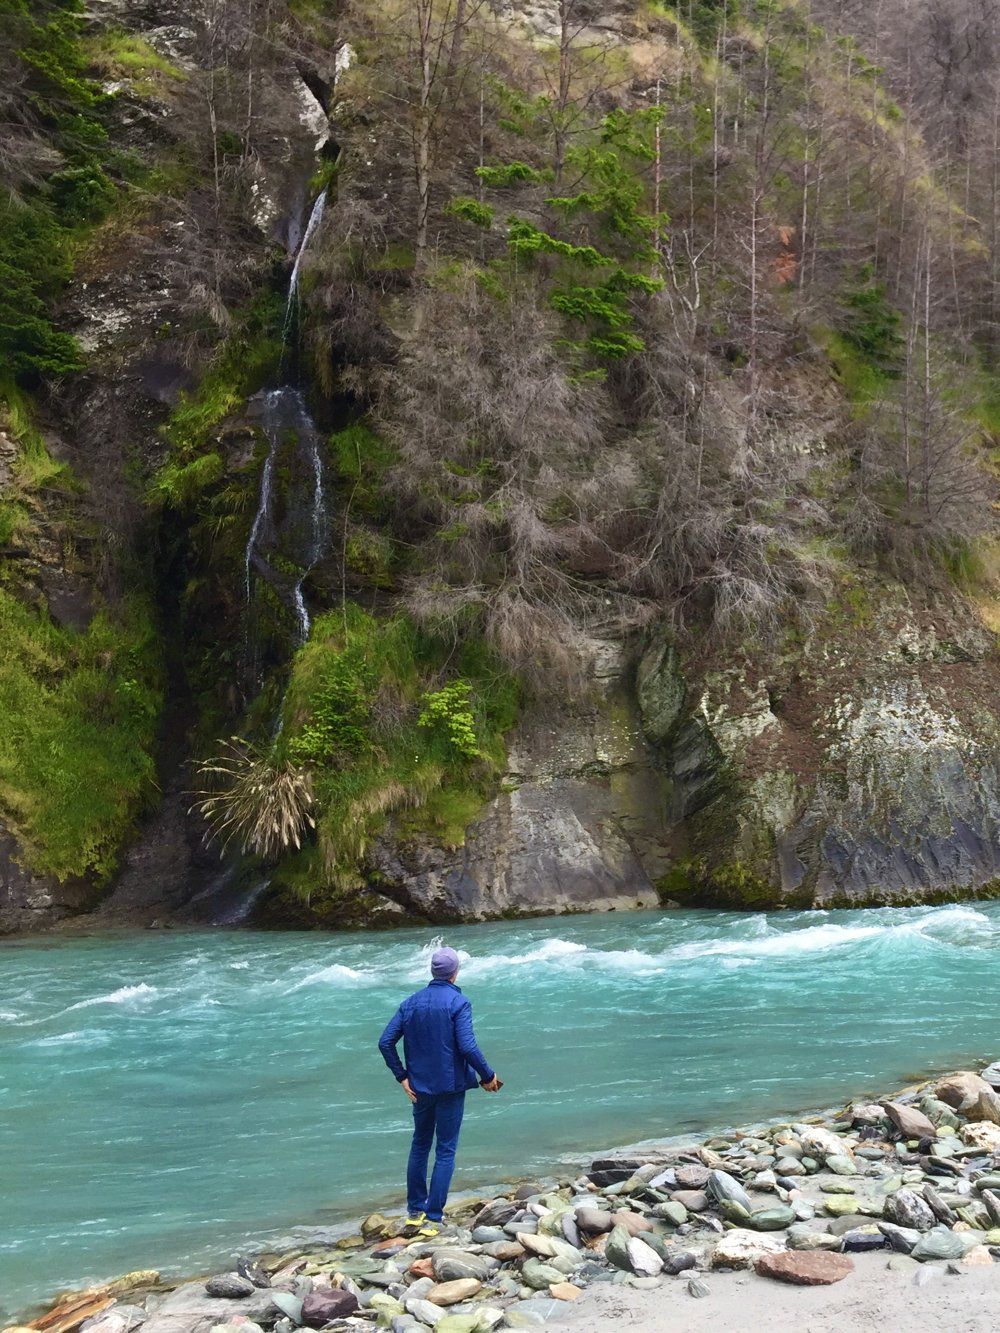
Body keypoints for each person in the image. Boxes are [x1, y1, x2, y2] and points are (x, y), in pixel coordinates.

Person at [378, 944, 501, 1236]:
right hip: (450, 1087)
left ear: (433, 972)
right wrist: (488, 1075)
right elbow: (467, 1046)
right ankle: (433, 1218)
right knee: (445, 1149)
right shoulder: (459, 1002)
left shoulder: (410, 1003)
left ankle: (414, 1213)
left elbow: (385, 1042)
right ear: (455, 973)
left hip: (419, 1088)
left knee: (420, 1145)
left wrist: (402, 1077)